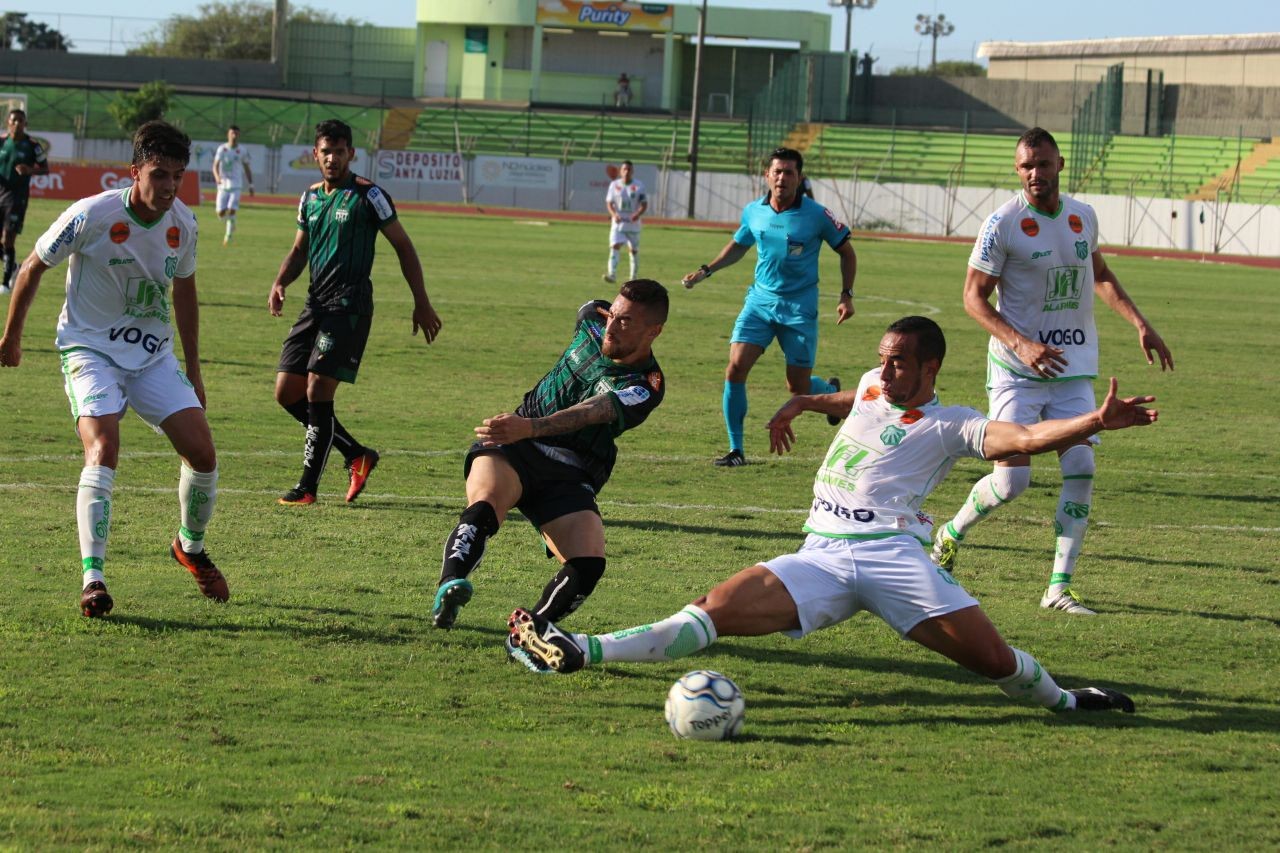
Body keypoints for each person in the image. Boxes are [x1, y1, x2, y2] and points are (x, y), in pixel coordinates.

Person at [508, 316, 1155, 718]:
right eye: (884, 355)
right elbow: (854, 394)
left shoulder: (951, 422)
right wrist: (803, 401)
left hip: (894, 558)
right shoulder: (876, 383)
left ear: (931, 366)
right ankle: (578, 648)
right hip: (819, 553)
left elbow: (1019, 440)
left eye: (900, 359)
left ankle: (1069, 701)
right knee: (711, 608)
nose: (886, 366)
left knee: (993, 662)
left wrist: (1094, 421)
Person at [930, 127, 1174, 615]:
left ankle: (1057, 588)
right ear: (1017, 171)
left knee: (1082, 466)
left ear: (1060, 163)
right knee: (1011, 483)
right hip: (1016, 370)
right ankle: (950, 533)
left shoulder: (1083, 216)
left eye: (1043, 163)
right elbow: (972, 297)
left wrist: (1140, 322)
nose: (1035, 173)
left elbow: (1099, 275)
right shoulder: (1002, 223)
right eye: (1026, 166)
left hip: (1073, 370)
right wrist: (1022, 345)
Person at [0, 120, 229, 617]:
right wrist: (12, 336)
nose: (169, 186)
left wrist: (193, 365)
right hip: (89, 350)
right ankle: (93, 579)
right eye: (159, 174)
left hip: (152, 356)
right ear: (134, 172)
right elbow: (32, 265)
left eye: (177, 176)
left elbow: (185, 292)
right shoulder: (92, 214)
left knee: (204, 454)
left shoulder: (183, 224)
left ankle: (189, 547)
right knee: (103, 448)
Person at [433, 280, 668, 632]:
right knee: (486, 504)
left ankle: (529, 633)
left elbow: (593, 411)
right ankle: (450, 586)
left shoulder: (645, 384)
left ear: (654, 331)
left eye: (625, 322)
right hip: (517, 446)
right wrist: (523, 430)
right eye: (613, 315)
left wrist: (530, 427)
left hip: (570, 469)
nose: (611, 326)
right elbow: (594, 314)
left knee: (588, 562)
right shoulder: (592, 316)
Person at [269, 119, 442, 506]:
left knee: (316, 389)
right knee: (286, 392)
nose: (332, 158)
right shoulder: (310, 197)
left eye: (339, 151)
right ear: (315, 154)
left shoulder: (369, 196)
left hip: (349, 306)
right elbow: (299, 251)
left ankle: (307, 487)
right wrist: (280, 282)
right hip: (315, 303)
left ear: (351, 153)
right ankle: (356, 454)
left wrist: (421, 301)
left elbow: (403, 246)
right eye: (325, 151)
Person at [682, 147, 857, 468]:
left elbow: (848, 252)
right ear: (767, 176)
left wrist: (846, 294)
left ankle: (830, 391)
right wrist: (706, 270)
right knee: (735, 368)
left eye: (789, 172)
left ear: (799, 178)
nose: (782, 178)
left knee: (798, 387)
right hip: (759, 304)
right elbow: (739, 245)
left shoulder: (817, 214)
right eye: (777, 171)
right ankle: (736, 450)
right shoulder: (753, 212)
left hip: (799, 310)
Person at [0, 108, 49, 294]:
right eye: (14, 120)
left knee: (8, 240)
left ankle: (5, 284)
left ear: (25, 124)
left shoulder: (33, 145)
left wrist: (30, 170)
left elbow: (46, 169)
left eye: (21, 120)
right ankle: (13, 268)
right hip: (0, 194)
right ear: (8, 123)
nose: (17, 123)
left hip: (17, 197)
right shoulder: (2, 142)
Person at [603, 160, 647, 284]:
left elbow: (644, 204)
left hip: (633, 225)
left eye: (629, 169)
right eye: (624, 169)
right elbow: (609, 203)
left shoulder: (639, 186)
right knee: (614, 246)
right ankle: (612, 274)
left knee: (633, 251)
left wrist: (638, 214)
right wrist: (614, 214)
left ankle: (633, 277)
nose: (626, 171)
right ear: (620, 171)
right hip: (618, 223)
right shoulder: (614, 185)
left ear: (632, 171)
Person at [211, 124, 254, 247]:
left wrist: (251, 185)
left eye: (236, 133)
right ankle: (232, 223)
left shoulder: (242, 150)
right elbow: (215, 166)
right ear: (228, 135)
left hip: (236, 184)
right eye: (232, 133)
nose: (234, 136)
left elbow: (247, 168)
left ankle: (228, 236)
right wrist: (217, 177)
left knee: (231, 209)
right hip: (223, 185)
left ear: (239, 135)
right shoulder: (222, 149)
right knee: (220, 213)